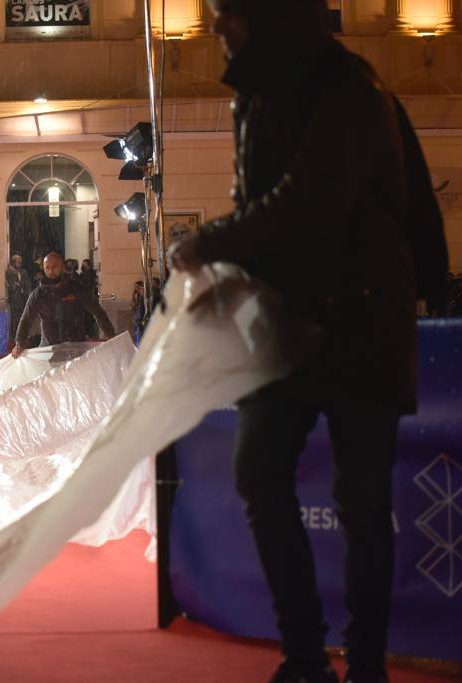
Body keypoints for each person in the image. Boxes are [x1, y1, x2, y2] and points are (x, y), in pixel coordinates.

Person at [170, 2, 448, 682]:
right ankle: (304, 655)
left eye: (224, 13)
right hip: (291, 317)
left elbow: (311, 199)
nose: (213, 28)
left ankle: (364, 661)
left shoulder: (345, 87)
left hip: (360, 317)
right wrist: (229, 262)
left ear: (263, 15)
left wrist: (210, 242)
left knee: (358, 500)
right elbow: (270, 205)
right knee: (259, 470)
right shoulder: (262, 95)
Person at [12, 252, 116, 358]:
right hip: (50, 349)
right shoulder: (38, 295)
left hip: (76, 348)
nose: (51, 270)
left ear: (62, 267)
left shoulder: (76, 289)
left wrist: (111, 336)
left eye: (55, 266)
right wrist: (19, 343)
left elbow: (98, 312)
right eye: (47, 267)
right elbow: (26, 319)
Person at [5, 254, 31, 350]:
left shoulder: (24, 272)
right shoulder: (10, 272)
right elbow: (12, 285)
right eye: (18, 262)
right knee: (15, 317)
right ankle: (15, 336)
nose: (20, 264)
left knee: (23, 316)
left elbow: (27, 283)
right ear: (13, 262)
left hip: (23, 297)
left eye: (21, 262)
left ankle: (23, 335)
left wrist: (20, 285)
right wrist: (17, 284)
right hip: (15, 298)